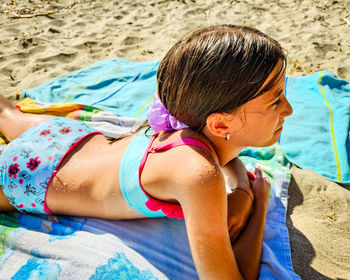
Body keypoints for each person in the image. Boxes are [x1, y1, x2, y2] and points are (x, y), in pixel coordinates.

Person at [0, 25, 293, 279]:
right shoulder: (199, 175)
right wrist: (258, 203)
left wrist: (242, 190)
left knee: (6, 114)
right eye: (275, 101)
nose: (288, 110)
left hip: (70, 138)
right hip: (31, 176)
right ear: (219, 123)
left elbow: (226, 158)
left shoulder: (186, 120)